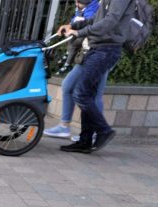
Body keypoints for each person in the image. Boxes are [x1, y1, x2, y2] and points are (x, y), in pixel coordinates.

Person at [57, 0, 135, 153]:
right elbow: (98, 19)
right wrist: (74, 26)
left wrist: (80, 32)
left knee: (80, 92)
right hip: (97, 48)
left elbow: (110, 21)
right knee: (88, 94)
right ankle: (85, 140)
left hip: (106, 50)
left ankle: (104, 130)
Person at [45, 0, 106, 141]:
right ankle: (64, 126)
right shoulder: (85, 8)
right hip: (89, 54)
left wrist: (74, 27)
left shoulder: (97, 7)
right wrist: (70, 26)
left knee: (95, 94)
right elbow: (80, 22)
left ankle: (96, 133)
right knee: (68, 86)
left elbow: (91, 23)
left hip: (99, 53)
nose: (76, 3)